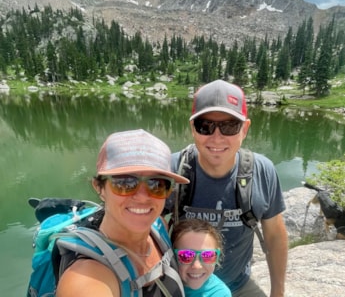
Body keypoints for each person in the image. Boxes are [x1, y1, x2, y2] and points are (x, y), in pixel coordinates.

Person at [170, 79, 288, 297]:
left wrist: (277, 292)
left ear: (245, 129)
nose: (217, 137)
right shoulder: (172, 170)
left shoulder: (262, 171)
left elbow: (275, 236)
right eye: (205, 126)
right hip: (182, 286)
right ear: (192, 128)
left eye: (229, 126)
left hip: (239, 286)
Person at [56, 129, 189, 297]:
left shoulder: (158, 226)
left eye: (157, 184)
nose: (142, 198)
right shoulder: (86, 278)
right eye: (125, 183)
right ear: (99, 187)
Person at [171, 219, 231, 296]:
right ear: (172, 256)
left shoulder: (220, 293)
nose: (197, 266)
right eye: (186, 255)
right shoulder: (159, 283)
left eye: (207, 255)